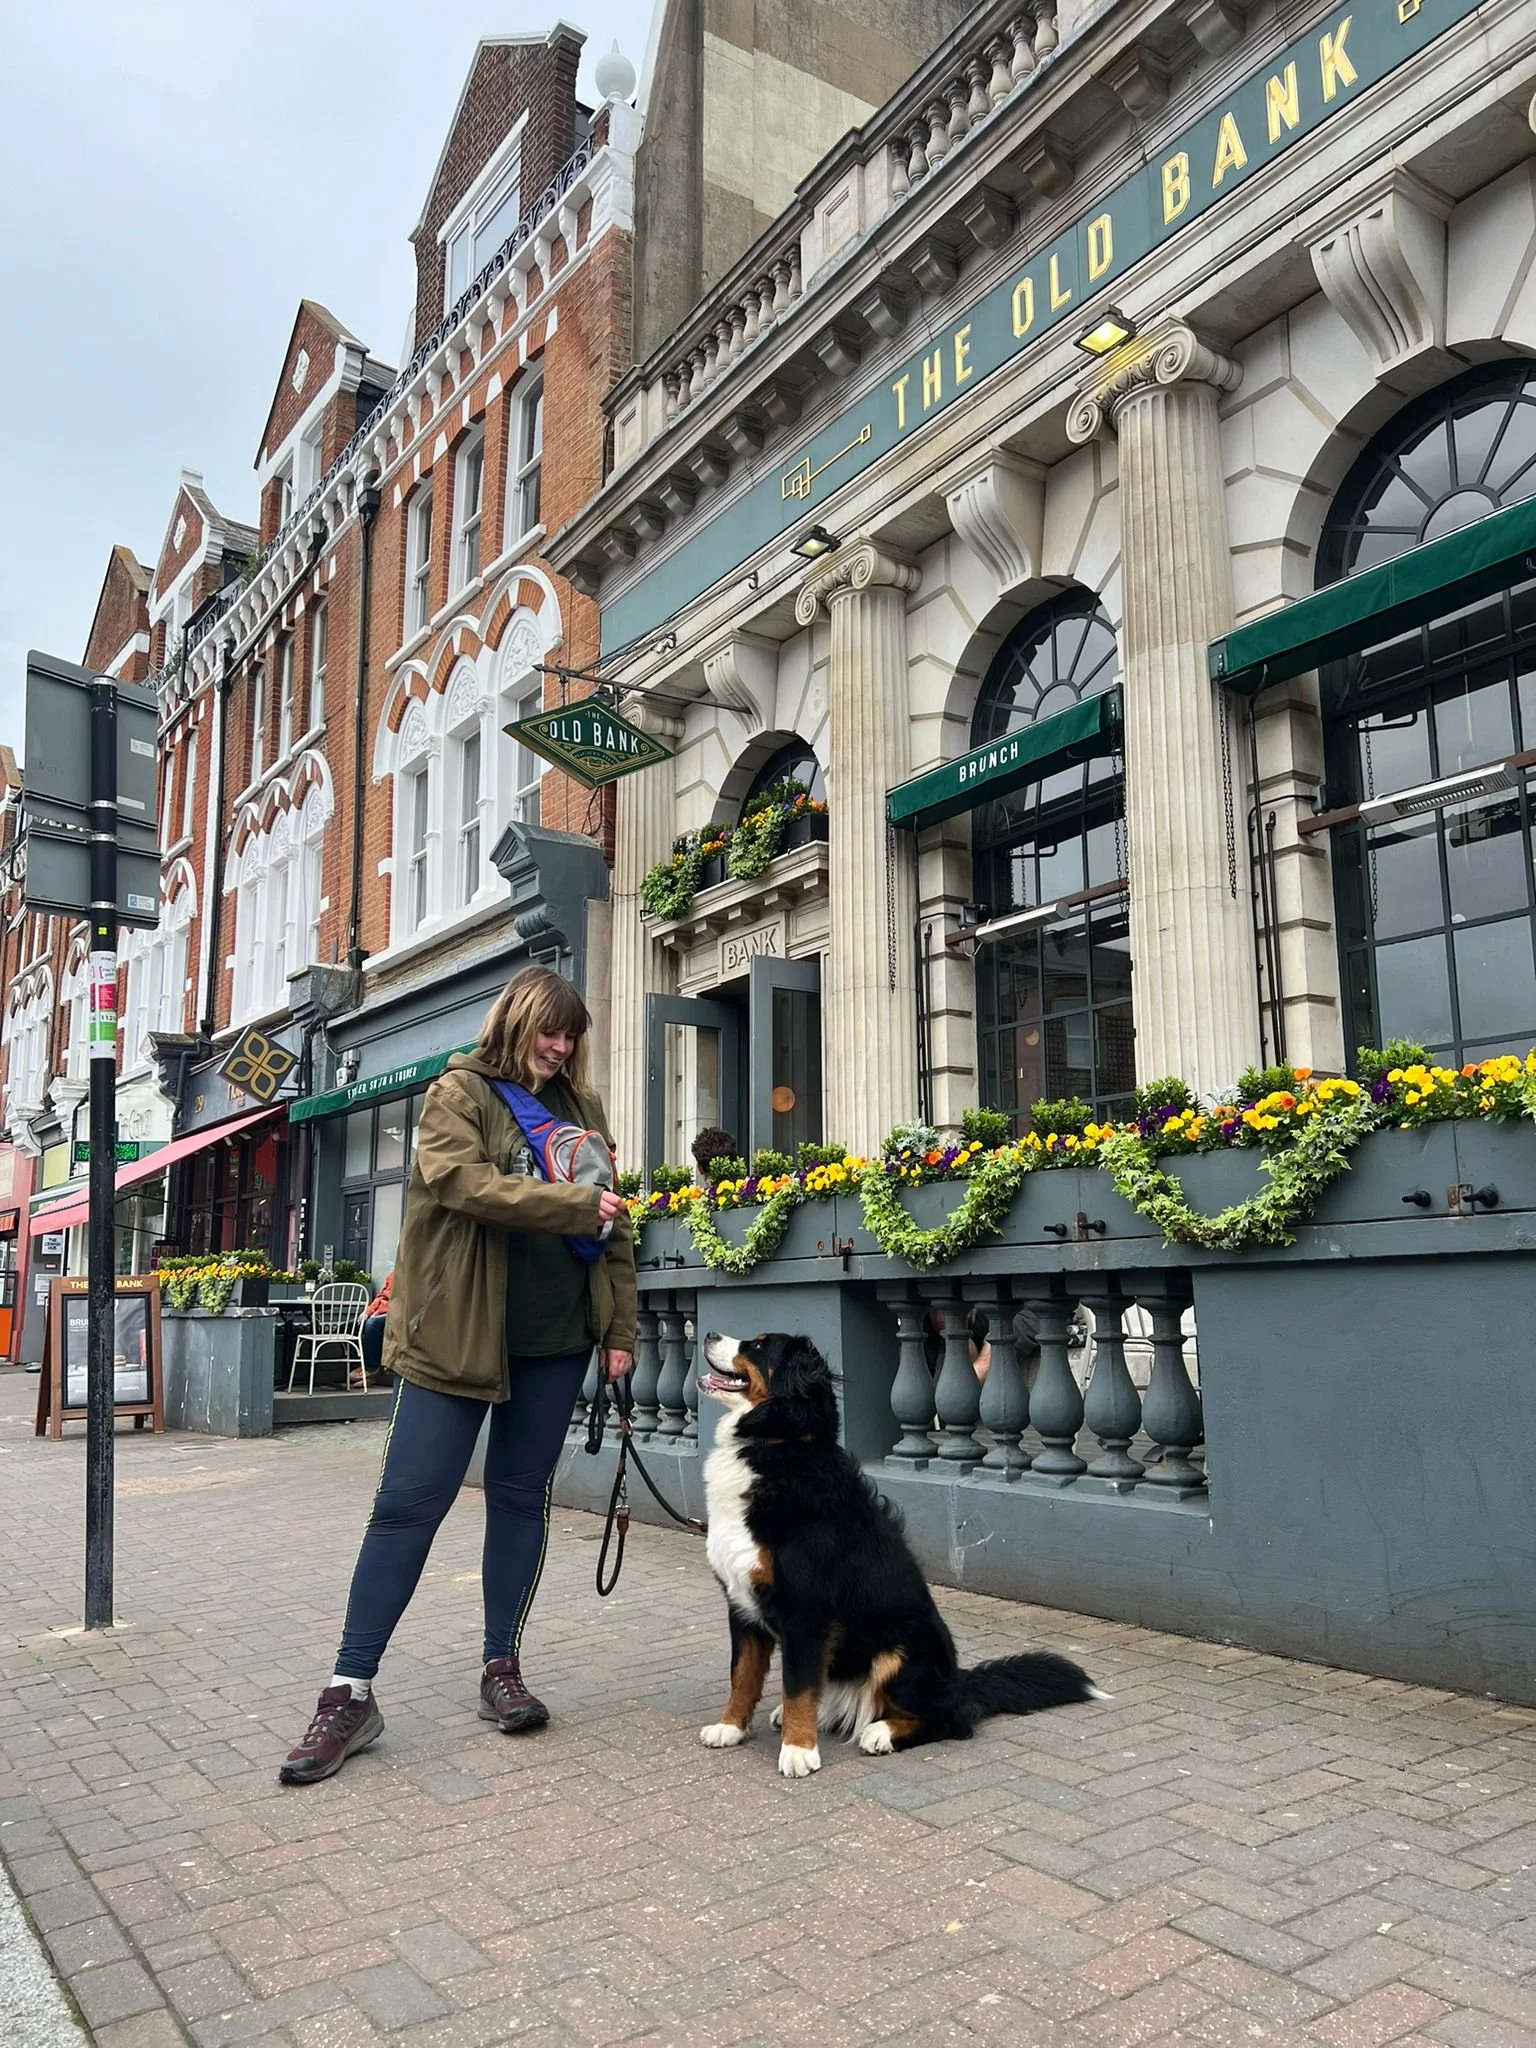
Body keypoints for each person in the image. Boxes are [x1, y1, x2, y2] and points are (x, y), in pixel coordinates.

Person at [279, 966, 635, 1786]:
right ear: (516, 1021)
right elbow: (460, 1184)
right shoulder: (457, 1094)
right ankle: (349, 1690)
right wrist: (569, 1208)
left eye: (571, 1035)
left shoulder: (583, 1110)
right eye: (550, 1031)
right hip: (453, 1335)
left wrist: (618, 1328)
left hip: (553, 1337)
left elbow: (613, 1225)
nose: (561, 1046)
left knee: (520, 1499)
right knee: (407, 1507)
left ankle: (501, 1669)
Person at [352, 1270, 392, 1391]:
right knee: (353, 1325)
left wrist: (377, 1312)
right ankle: (360, 1368)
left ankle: (371, 1369)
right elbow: (381, 1296)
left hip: (394, 1313)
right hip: (381, 1310)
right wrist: (368, 1311)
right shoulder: (393, 1274)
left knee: (372, 1324)